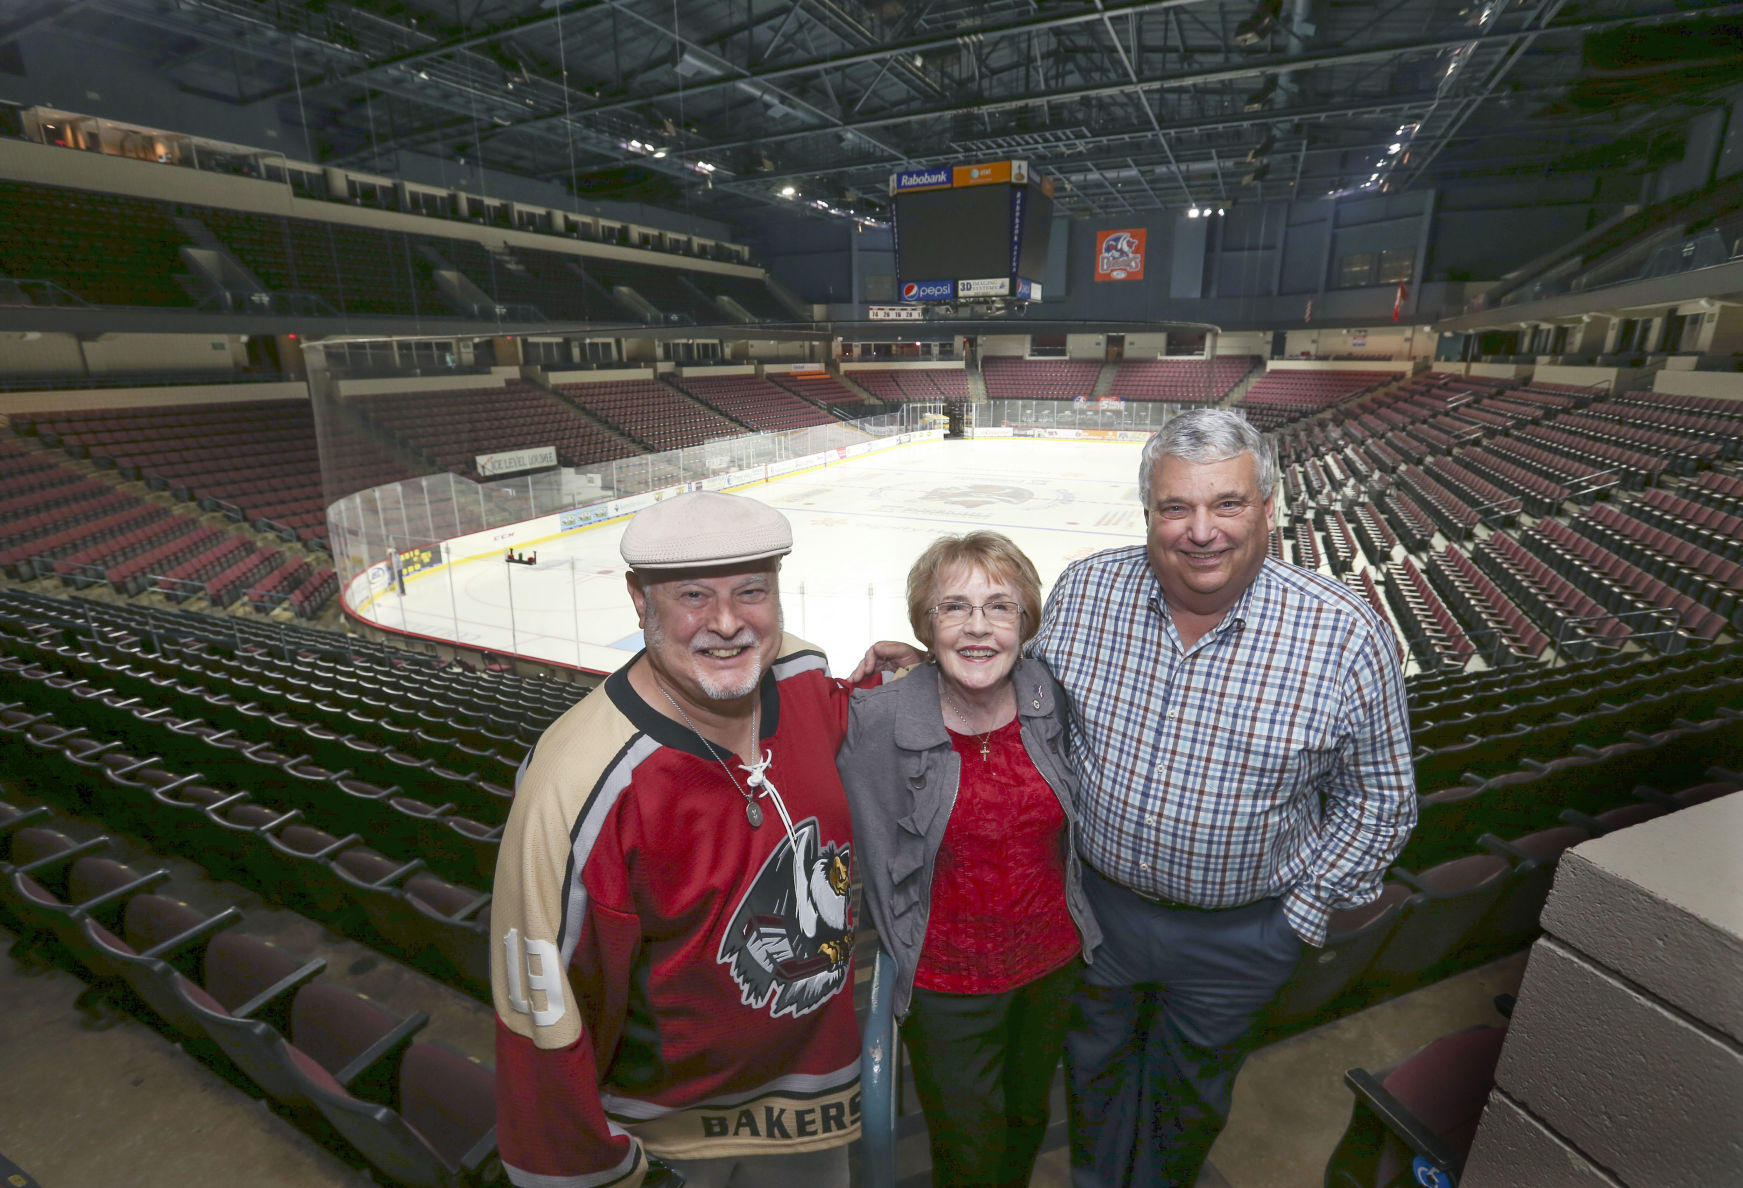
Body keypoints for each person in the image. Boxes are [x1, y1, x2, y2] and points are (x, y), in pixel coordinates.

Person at [854, 408, 1416, 1188]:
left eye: (1226, 503)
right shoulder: (1089, 591)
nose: (1200, 530)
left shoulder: (1344, 633)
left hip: (1240, 934)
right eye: (1175, 506)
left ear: (1267, 509)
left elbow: (1382, 800)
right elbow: (1012, 685)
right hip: (1097, 917)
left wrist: (1300, 916)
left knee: (1186, 1098)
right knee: (1093, 1077)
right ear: (1149, 511)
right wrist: (932, 662)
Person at [493, 491, 863, 1188]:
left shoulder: (805, 677)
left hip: (815, 1109)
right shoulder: (576, 784)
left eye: (750, 591)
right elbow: (537, 1008)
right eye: (693, 596)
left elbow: (855, 718)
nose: (726, 623)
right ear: (639, 601)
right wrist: (592, 1169)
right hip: (671, 1144)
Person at [838, 532, 1101, 1188]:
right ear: (925, 625)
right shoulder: (874, 718)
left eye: (1000, 607)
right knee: (967, 1151)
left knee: (1025, 1120)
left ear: (1026, 623)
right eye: (953, 608)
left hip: (1049, 965)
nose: (978, 628)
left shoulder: (1048, 694)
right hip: (944, 983)